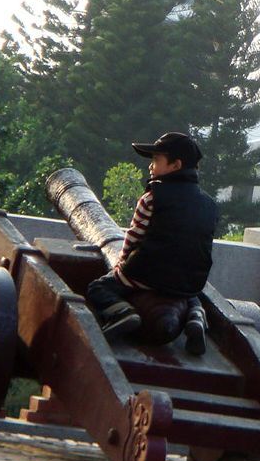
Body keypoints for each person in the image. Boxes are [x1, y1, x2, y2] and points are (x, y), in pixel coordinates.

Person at [86, 132, 219, 355]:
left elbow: (133, 238)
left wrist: (121, 267)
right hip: (189, 280)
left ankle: (123, 312)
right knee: (190, 295)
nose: (150, 166)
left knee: (98, 288)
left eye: (156, 160)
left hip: (147, 274)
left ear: (175, 165)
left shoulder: (152, 198)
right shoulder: (210, 206)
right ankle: (196, 316)